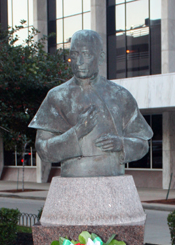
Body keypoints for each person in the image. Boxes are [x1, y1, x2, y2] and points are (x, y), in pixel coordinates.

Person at [29, 30, 153, 178]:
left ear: (100, 57)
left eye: (86, 54)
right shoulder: (56, 96)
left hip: (114, 181)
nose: (79, 61)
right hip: (73, 181)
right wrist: (78, 131)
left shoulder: (120, 95)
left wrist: (121, 144)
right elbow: (43, 149)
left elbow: (143, 143)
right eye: (74, 54)